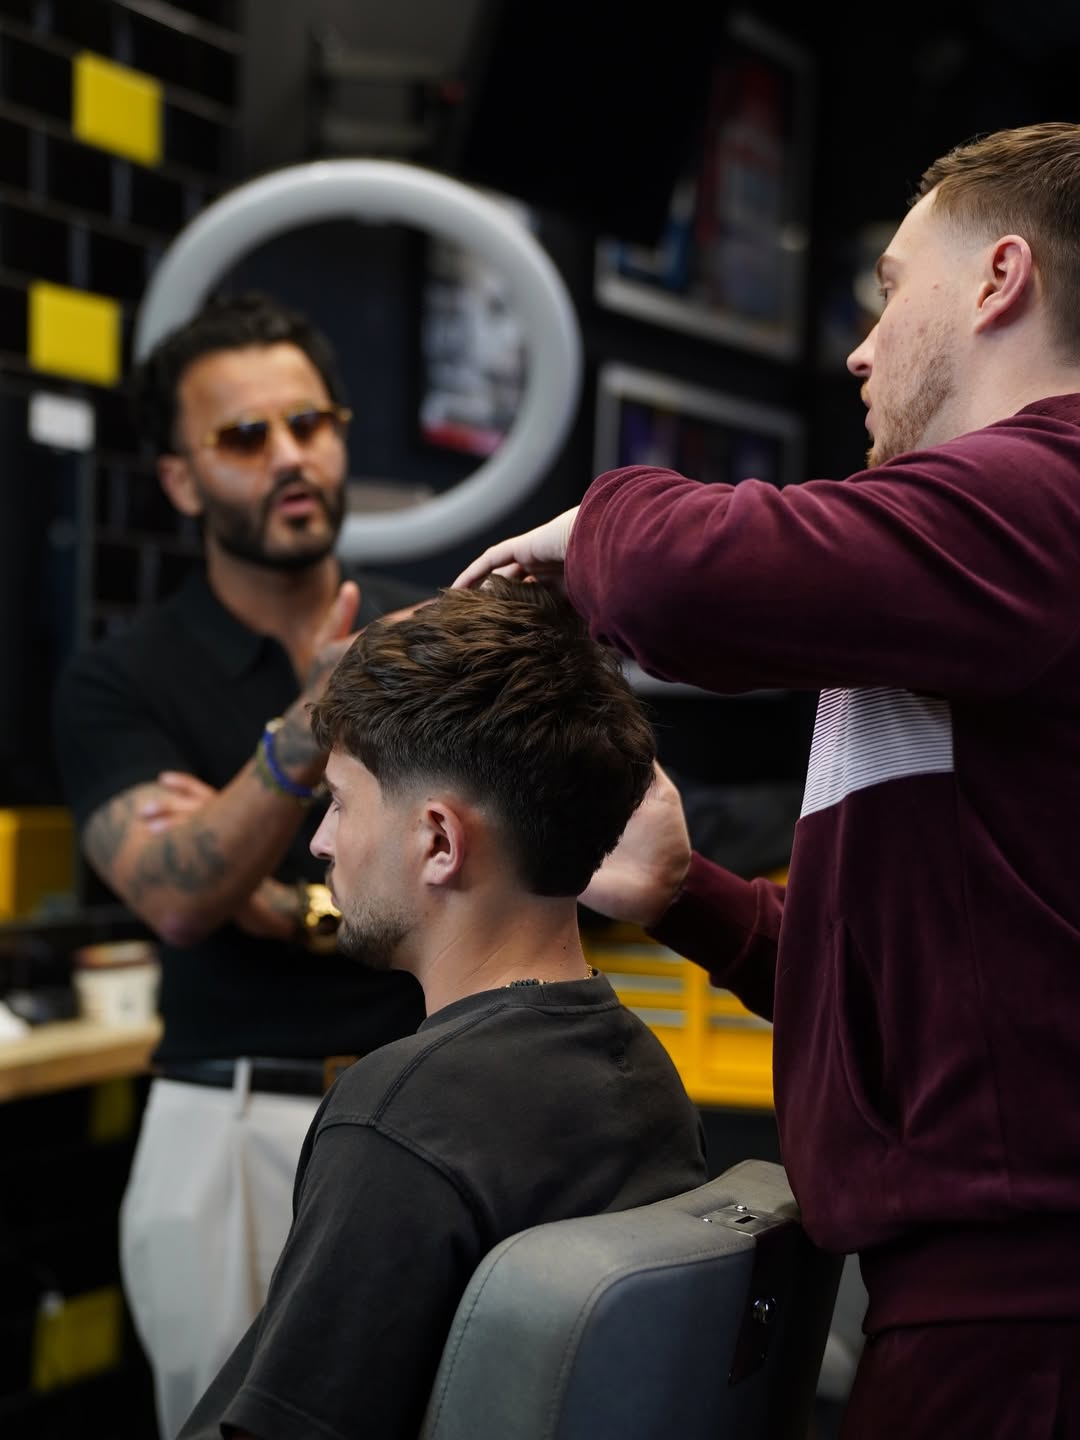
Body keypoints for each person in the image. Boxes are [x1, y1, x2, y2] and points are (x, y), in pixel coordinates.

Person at [454, 122, 1080, 1437]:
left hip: (1028, 1325)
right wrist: (693, 898)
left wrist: (592, 525)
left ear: (1000, 279)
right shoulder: (994, 578)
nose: (860, 347)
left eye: (891, 288)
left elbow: (679, 577)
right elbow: (935, 976)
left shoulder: (1050, 491)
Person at [176, 577, 708, 1440]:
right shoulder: (646, 1077)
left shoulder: (403, 1123)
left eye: (340, 803)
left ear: (437, 841)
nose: (318, 842)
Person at [53, 293, 430, 1437]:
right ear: (179, 481)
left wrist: (281, 899)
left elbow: (495, 877)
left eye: (309, 424)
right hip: (230, 1128)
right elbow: (175, 893)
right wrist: (302, 735)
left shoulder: (421, 648)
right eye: (243, 437)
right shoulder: (121, 678)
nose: (290, 457)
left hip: (421, 1114)